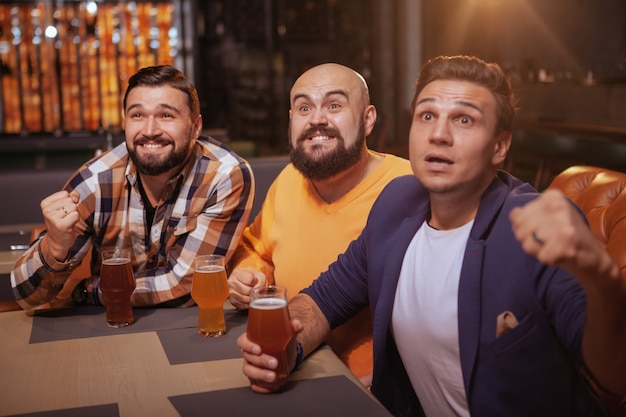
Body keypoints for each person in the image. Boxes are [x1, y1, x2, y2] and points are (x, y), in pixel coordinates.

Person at [237, 55, 626, 416]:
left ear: (500, 146)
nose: (439, 134)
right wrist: (287, 347)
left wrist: (602, 282)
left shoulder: (529, 224)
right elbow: (323, 300)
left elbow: (615, 375)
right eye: (426, 115)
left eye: (464, 120)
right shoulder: (396, 204)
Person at [227, 63, 412, 385]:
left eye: (335, 105)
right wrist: (251, 273)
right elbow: (254, 247)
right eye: (304, 107)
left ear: (368, 119)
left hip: (370, 387)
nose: (316, 119)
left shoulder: (407, 188)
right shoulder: (288, 180)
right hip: (292, 365)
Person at [11, 65, 254, 310]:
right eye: (137, 115)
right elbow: (26, 296)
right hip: (107, 328)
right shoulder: (96, 181)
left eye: (166, 115)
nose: (150, 131)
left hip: (191, 329)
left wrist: (85, 291)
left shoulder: (223, 176)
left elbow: (186, 286)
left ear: (195, 127)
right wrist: (54, 247)